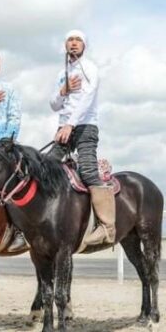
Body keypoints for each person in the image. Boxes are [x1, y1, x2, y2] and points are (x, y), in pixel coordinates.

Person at [48, 29, 113, 249]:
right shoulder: (62, 72)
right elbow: (53, 104)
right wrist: (63, 90)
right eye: (70, 40)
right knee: (47, 167)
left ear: (84, 46)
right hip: (64, 128)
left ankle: (106, 226)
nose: (73, 44)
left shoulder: (90, 68)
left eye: (78, 40)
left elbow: (87, 98)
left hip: (85, 127)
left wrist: (70, 124)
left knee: (86, 170)